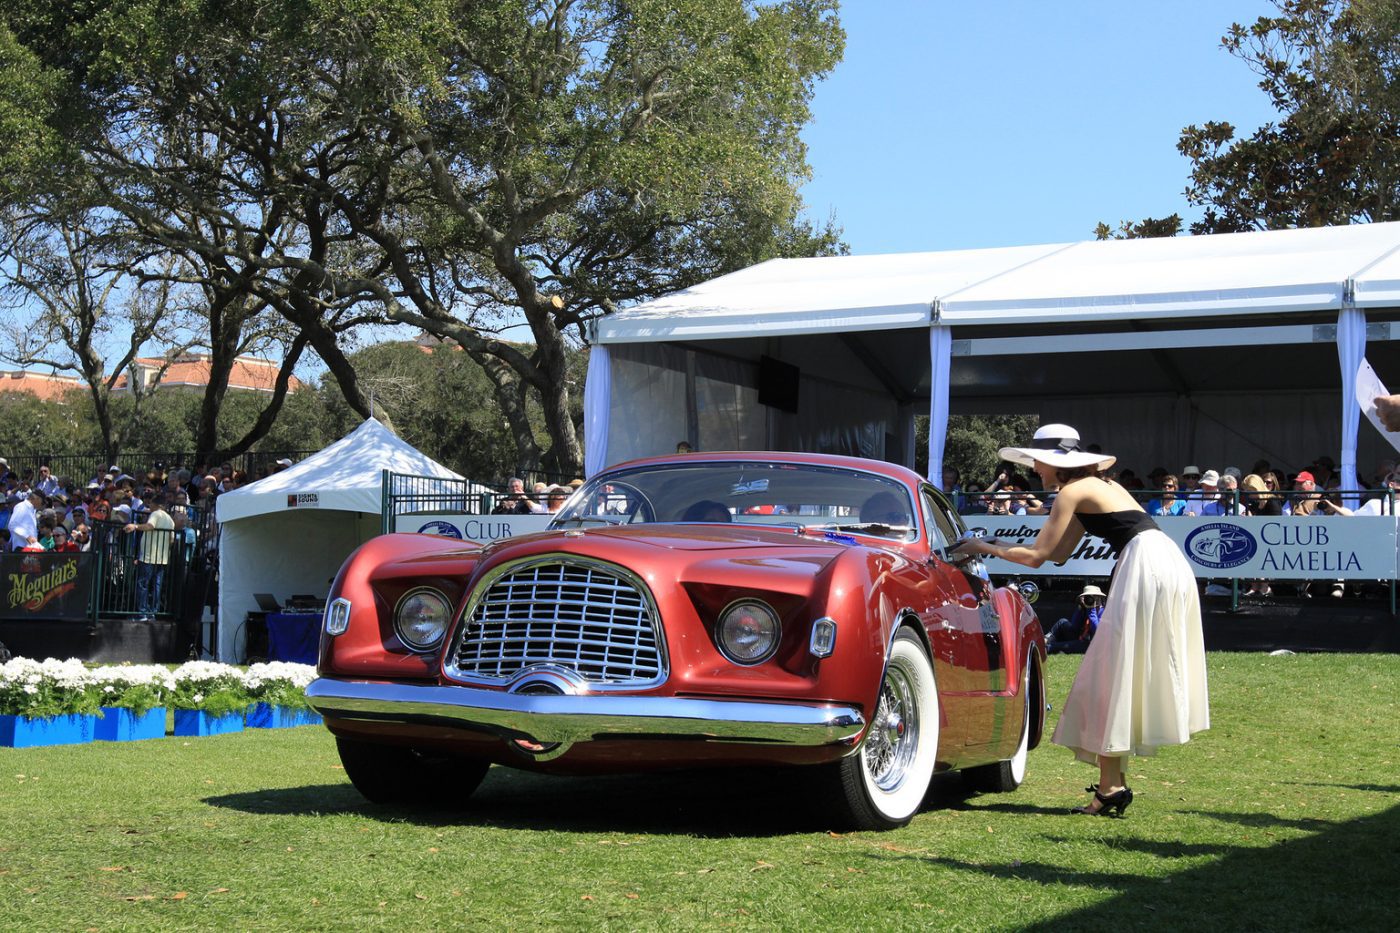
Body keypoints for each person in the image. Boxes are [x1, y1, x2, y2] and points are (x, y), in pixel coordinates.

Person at [951, 423, 1208, 817]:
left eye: (1038, 461)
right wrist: (999, 545)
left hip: (1146, 565)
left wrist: (982, 546)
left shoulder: (1071, 492)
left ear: (1057, 463)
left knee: (1111, 673)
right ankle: (1111, 786)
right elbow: (1058, 553)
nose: (1035, 468)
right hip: (1163, 560)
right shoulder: (1092, 487)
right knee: (1113, 673)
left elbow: (1038, 557)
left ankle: (1112, 786)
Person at [123, 494, 175, 622]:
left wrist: (135, 526)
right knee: (156, 585)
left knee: (142, 584)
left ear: (158, 505)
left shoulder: (156, 514)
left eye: (151, 503)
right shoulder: (170, 520)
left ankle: (142, 613)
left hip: (149, 557)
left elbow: (150, 526)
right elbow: (171, 540)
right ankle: (152, 613)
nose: (150, 505)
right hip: (162, 558)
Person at [1046, 584, 1105, 654]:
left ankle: (1048, 647)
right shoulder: (1085, 609)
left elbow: (1098, 631)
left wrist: (1092, 611)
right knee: (1062, 622)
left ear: (1099, 598)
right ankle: (1045, 640)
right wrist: (1080, 607)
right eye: (1088, 597)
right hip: (1080, 638)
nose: (1090, 599)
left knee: (1080, 644)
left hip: (1091, 644)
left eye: (1094, 597)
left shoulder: (1104, 612)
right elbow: (1074, 626)